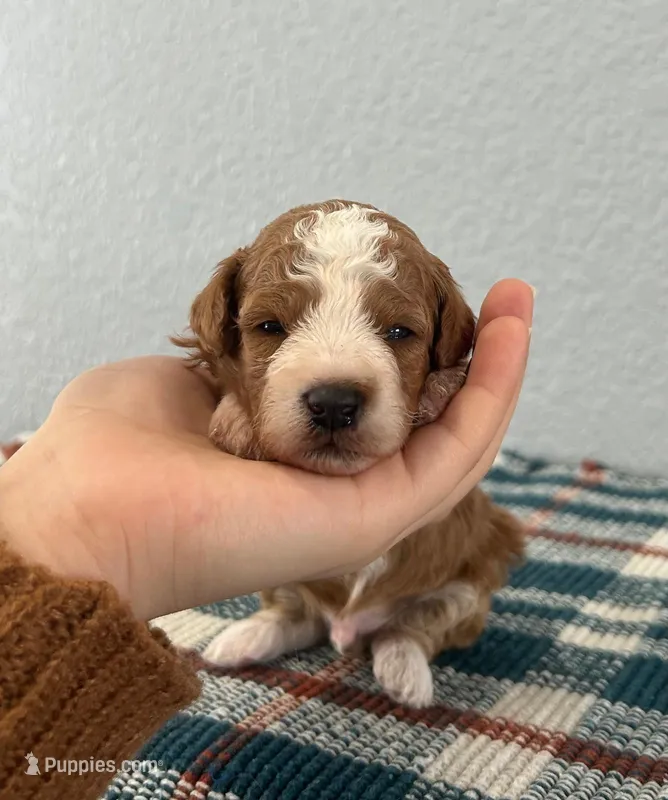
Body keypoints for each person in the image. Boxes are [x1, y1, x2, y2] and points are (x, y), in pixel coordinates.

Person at [0, 279, 533, 799]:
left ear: (445, 340)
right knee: (290, 580)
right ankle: (292, 616)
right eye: (272, 325)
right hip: (308, 584)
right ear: (227, 331)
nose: (333, 392)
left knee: (464, 585)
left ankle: (412, 634)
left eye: (397, 333)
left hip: (425, 579)